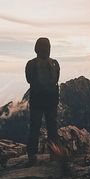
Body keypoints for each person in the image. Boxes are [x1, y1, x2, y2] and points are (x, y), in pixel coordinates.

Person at [25, 37, 60, 166]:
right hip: (51, 101)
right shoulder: (55, 63)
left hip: (37, 101)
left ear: (36, 49)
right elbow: (56, 79)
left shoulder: (31, 64)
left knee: (34, 128)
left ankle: (32, 156)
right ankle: (54, 154)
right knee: (52, 127)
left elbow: (29, 79)